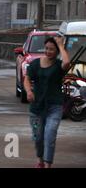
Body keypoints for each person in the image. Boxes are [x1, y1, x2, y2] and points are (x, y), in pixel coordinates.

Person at [23, 36, 70, 168]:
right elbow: (27, 79)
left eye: (52, 49)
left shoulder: (58, 66)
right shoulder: (35, 64)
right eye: (47, 48)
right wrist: (29, 91)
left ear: (57, 52)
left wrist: (61, 45)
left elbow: (67, 63)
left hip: (54, 107)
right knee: (38, 137)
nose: (48, 51)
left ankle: (48, 164)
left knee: (50, 135)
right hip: (37, 107)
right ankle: (40, 161)